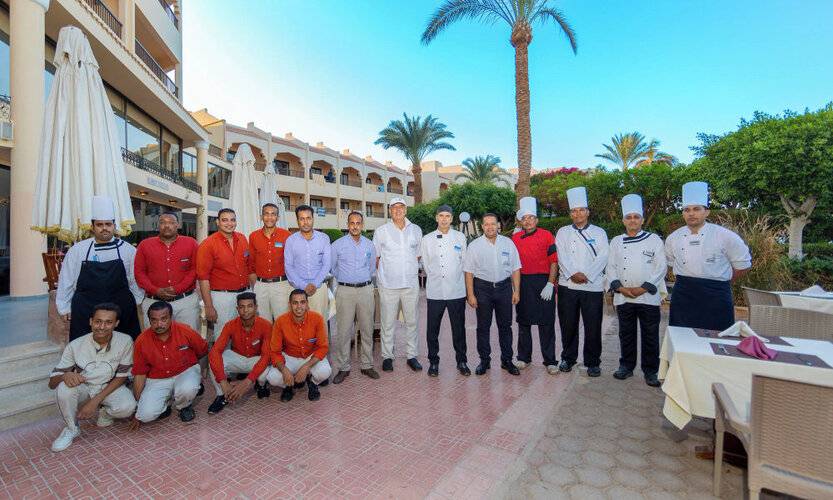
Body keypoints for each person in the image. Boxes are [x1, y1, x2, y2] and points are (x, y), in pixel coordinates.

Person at [48, 303, 136, 452]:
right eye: (98, 321)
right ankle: (71, 428)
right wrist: (65, 375)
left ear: (116, 324)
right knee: (64, 388)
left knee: (128, 407)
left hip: (109, 386)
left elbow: (121, 377)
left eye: (108, 322)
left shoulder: (125, 341)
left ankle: (105, 412)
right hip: (85, 388)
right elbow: (52, 382)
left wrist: (94, 402)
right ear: (91, 321)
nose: (102, 327)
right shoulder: (75, 345)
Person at [666, 181, 751, 331]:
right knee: (682, 338)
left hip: (716, 296)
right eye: (687, 210)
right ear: (683, 213)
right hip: (683, 294)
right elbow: (671, 262)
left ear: (706, 212)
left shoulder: (725, 236)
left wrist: (720, 281)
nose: (691, 213)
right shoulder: (673, 237)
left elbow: (743, 265)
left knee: (717, 340)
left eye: (696, 209)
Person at [56, 195, 143, 341]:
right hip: (86, 306)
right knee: (84, 345)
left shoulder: (128, 250)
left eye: (108, 224)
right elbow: (67, 279)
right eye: (100, 224)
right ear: (92, 226)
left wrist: (135, 301)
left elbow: (135, 279)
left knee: (124, 345)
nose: (104, 228)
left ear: (114, 226)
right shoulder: (78, 250)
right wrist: (64, 307)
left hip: (120, 306)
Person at [607, 195, 667, 387]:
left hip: (647, 297)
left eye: (636, 216)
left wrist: (643, 288)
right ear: (623, 220)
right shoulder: (616, 241)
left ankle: (651, 371)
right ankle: (626, 366)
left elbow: (661, 267)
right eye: (629, 217)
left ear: (642, 219)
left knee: (650, 335)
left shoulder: (654, 240)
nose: (632, 220)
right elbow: (611, 266)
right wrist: (620, 288)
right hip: (624, 297)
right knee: (626, 333)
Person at [556, 187, 610, 377]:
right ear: (570, 213)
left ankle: (593, 362)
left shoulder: (600, 232)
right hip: (567, 286)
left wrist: (587, 275)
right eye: (574, 211)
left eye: (581, 210)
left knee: (593, 326)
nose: (577, 214)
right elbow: (561, 255)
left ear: (587, 212)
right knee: (568, 325)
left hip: (592, 286)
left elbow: (603, 256)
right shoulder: (562, 232)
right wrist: (572, 274)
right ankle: (568, 358)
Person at [130, 301, 208, 427]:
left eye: (163, 319)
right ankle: (165, 406)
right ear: (149, 320)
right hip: (157, 379)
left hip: (184, 372)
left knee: (188, 388)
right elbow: (139, 374)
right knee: (145, 415)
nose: (159, 324)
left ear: (171, 318)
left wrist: (199, 376)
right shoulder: (141, 341)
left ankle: (184, 406)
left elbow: (202, 350)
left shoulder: (185, 330)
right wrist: (137, 409)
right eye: (154, 320)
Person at [463, 213, 522, 376]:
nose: (490, 227)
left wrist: (516, 291)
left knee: (505, 326)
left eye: (493, 224)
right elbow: (468, 272)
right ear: (482, 226)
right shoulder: (474, 246)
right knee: (483, 327)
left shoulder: (508, 243)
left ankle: (507, 360)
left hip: (504, 288)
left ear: (498, 226)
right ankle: (484, 361)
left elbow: (516, 268)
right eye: (486, 224)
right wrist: (470, 294)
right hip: (482, 289)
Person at [372, 197, 423, 372]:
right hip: (388, 285)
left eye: (401, 207)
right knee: (387, 323)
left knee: (412, 321)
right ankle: (387, 356)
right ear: (389, 211)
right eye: (394, 208)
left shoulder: (416, 230)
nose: (398, 210)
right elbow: (376, 258)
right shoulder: (381, 231)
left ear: (406, 210)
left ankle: (412, 356)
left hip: (410, 284)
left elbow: (417, 256)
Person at [330, 211, 379, 383]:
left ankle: (367, 365)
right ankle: (343, 368)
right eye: (352, 223)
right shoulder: (337, 245)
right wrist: (346, 279)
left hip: (366, 290)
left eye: (358, 223)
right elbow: (332, 268)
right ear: (348, 224)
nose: (355, 226)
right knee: (343, 331)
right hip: (345, 291)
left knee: (367, 329)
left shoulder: (369, 245)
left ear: (362, 225)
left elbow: (372, 268)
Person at [421, 205, 469, 377]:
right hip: (435, 291)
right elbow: (426, 264)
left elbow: (464, 263)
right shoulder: (426, 239)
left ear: (452, 218)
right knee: (432, 330)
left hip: (456, 290)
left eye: (447, 216)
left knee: (459, 329)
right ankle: (433, 362)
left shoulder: (460, 237)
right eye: (441, 215)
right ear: (436, 218)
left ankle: (462, 361)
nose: (444, 219)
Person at [511, 197, 559, 372]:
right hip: (523, 282)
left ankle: (550, 361)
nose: (528, 221)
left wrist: (550, 283)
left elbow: (554, 261)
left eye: (531, 217)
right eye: (524, 218)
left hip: (543, 282)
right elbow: (512, 265)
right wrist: (515, 288)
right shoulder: (514, 238)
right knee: (523, 322)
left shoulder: (547, 235)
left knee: (546, 322)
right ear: (520, 221)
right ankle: (524, 358)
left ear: (537, 220)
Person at [206, 292, 273, 414]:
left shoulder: (266, 325)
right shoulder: (230, 325)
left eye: (249, 306)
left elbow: (266, 356)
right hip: (239, 358)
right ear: (237, 309)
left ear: (256, 307)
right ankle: (222, 395)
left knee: (266, 371)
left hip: (256, 360)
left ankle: (261, 385)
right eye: (242, 307)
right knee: (215, 359)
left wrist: (247, 383)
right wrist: (223, 381)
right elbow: (215, 351)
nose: (246, 310)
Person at [134, 212, 200, 332]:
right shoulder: (145, 245)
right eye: (163, 222)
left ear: (177, 225)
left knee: (188, 337)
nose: (166, 226)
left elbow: (195, 269)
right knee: (154, 341)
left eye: (171, 222)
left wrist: (177, 288)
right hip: (153, 302)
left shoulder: (191, 243)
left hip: (185, 303)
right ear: (158, 225)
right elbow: (139, 273)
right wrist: (156, 290)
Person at [266, 289, 332, 402]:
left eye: (302, 302)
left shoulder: (317, 319)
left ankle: (312, 383)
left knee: (325, 371)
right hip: (289, 357)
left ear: (307, 304)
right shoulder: (280, 321)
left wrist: (307, 366)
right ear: (289, 305)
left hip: (310, 356)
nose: (299, 306)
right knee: (272, 378)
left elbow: (323, 347)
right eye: (295, 302)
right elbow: (275, 351)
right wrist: (284, 370)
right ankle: (289, 386)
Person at [196, 208, 250, 339]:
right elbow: (203, 278)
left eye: (232, 220)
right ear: (217, 222)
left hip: (244, 295)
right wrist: (209, 306)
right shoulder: (207, 244)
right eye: (225, 220)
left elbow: (248, 266)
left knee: (243, 333)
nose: (229, 223)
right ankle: (221, 360)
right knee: (223, 336)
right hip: (222, 298)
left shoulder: (242, 239)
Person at [284, 205, 331, 321]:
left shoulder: (324, 238)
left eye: (308, 218)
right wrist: (304, 286)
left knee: (320, 323)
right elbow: (288, 267)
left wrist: (314, 284)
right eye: (302, 219)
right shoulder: (291, 240)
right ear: (297, 221)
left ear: (313, 219)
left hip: (319, 290)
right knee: (298, 325)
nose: (306, 222)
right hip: (297, 290)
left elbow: (327, 265)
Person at [248, 203, 292, 321]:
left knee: (282, 321)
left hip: (281, 285)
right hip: (260, 286)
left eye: (273, 214)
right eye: (266, 214)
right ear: (261, 216)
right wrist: (256, 286)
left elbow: (292, 261)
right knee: (263, 322)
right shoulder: (253, 236)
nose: (269, 217)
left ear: (277, 218)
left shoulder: (286, 235)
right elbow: (251, 263)